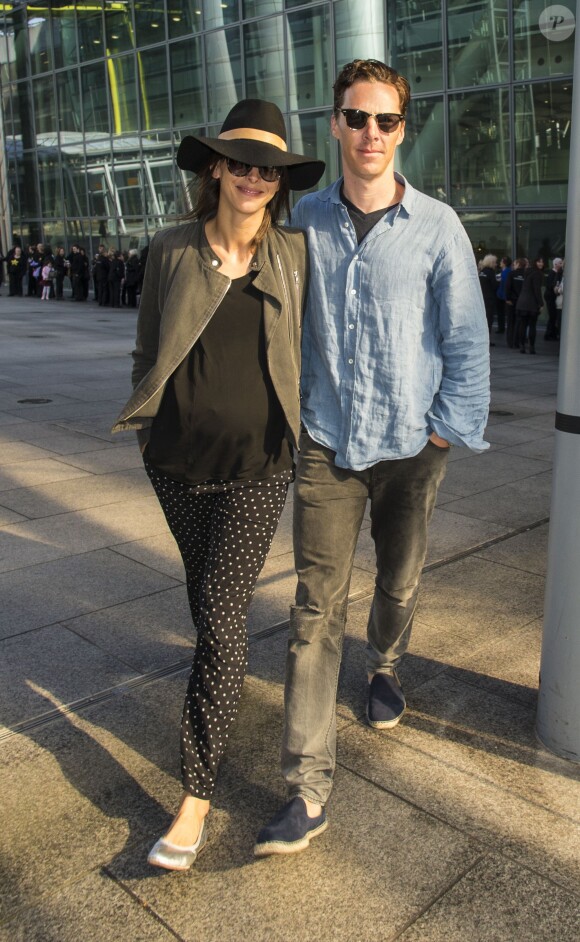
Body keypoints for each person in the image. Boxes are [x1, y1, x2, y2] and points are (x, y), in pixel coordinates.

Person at [254, 58, 490, 857]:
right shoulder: (303, 222)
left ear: (401, 129)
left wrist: (443, 430)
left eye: (385, 120)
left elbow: (466, 339)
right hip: (327, 446)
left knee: (399, 580)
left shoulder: (438, 226)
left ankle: (385, 663)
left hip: (411, 446)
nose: (370, 133)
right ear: (335, 125)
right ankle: (306, 788)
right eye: (356, 118)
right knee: (315, 611)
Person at [111, 99, 325, 870]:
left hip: (258, 469)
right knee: (208, 609)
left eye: (267, 169)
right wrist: (149, 431)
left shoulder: (295, 254)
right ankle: (218, 701)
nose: (253, 178)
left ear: (279, 182)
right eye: (240, 163)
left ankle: (194, 798)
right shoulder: (172, 249)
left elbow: (316, 345)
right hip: (175, 466)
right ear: (216, 169)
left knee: (224, 621)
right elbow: (147, 353)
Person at [516, 257, 544, 354]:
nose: (541, 263)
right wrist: (541, 303)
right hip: (532, 303)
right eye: (539, 261)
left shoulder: (527, 272)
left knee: (523, 325)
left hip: (522, 301)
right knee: (532, 325)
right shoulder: (537, 274)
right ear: (535, 262)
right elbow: (537, 290)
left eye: (542, 262)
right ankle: (531, 346)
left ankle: (522, 346)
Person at [505, 257, 528, 349]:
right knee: (520, 322)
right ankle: (518, 342)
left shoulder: (511, 274)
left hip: (512, 300)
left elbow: (508, 287)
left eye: (514, 264)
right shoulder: (526, 274)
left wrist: (507, 298)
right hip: (522, 301)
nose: (513, 265)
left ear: (518, 264)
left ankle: (510, 341)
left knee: (511, 322)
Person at [478, 254, 498, 344]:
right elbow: (494, 285)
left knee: (482, 320)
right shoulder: (491, 272)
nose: (496, 264)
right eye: (495, 262)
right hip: (489, 299)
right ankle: (487, 340)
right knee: (488, 320)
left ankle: (481, 339)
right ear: (491, 263)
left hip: (481, 299)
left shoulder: (481, 272)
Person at [544, 257, 563, 341]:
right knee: (552, 316)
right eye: (560, 263)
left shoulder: (556, 273)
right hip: (550, 297)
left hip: (552, 297)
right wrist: (556, 288)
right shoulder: (552, 273)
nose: (561, 265)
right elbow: (550, 285)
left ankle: (552, 333)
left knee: (553, 316)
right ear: (555, 264)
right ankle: (549, 334)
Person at [496, 256, 512, 336]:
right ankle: (501, 328)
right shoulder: (505, 271)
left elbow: (505, 284)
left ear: (504, 263)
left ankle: (502, 328)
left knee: (502, 313)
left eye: (501, 261)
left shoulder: (506, 272)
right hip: (502, 294)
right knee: (501, 313)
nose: (500, 263)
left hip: (502, 295)